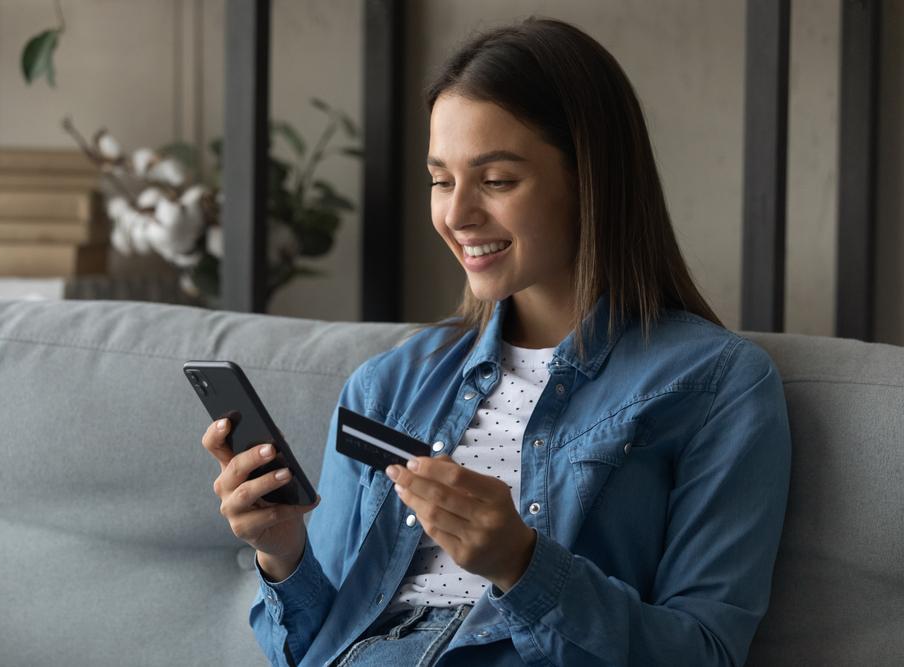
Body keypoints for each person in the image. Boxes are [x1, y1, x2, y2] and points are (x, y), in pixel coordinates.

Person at [201, 16, 791, 667]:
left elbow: (704, 653)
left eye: (497, 180)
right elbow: (314, 648)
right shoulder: (386, 386)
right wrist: (283, 552)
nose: (456, 215)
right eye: (441, 180)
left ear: (591, 180)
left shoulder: (715, 384)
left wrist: (523, 565)